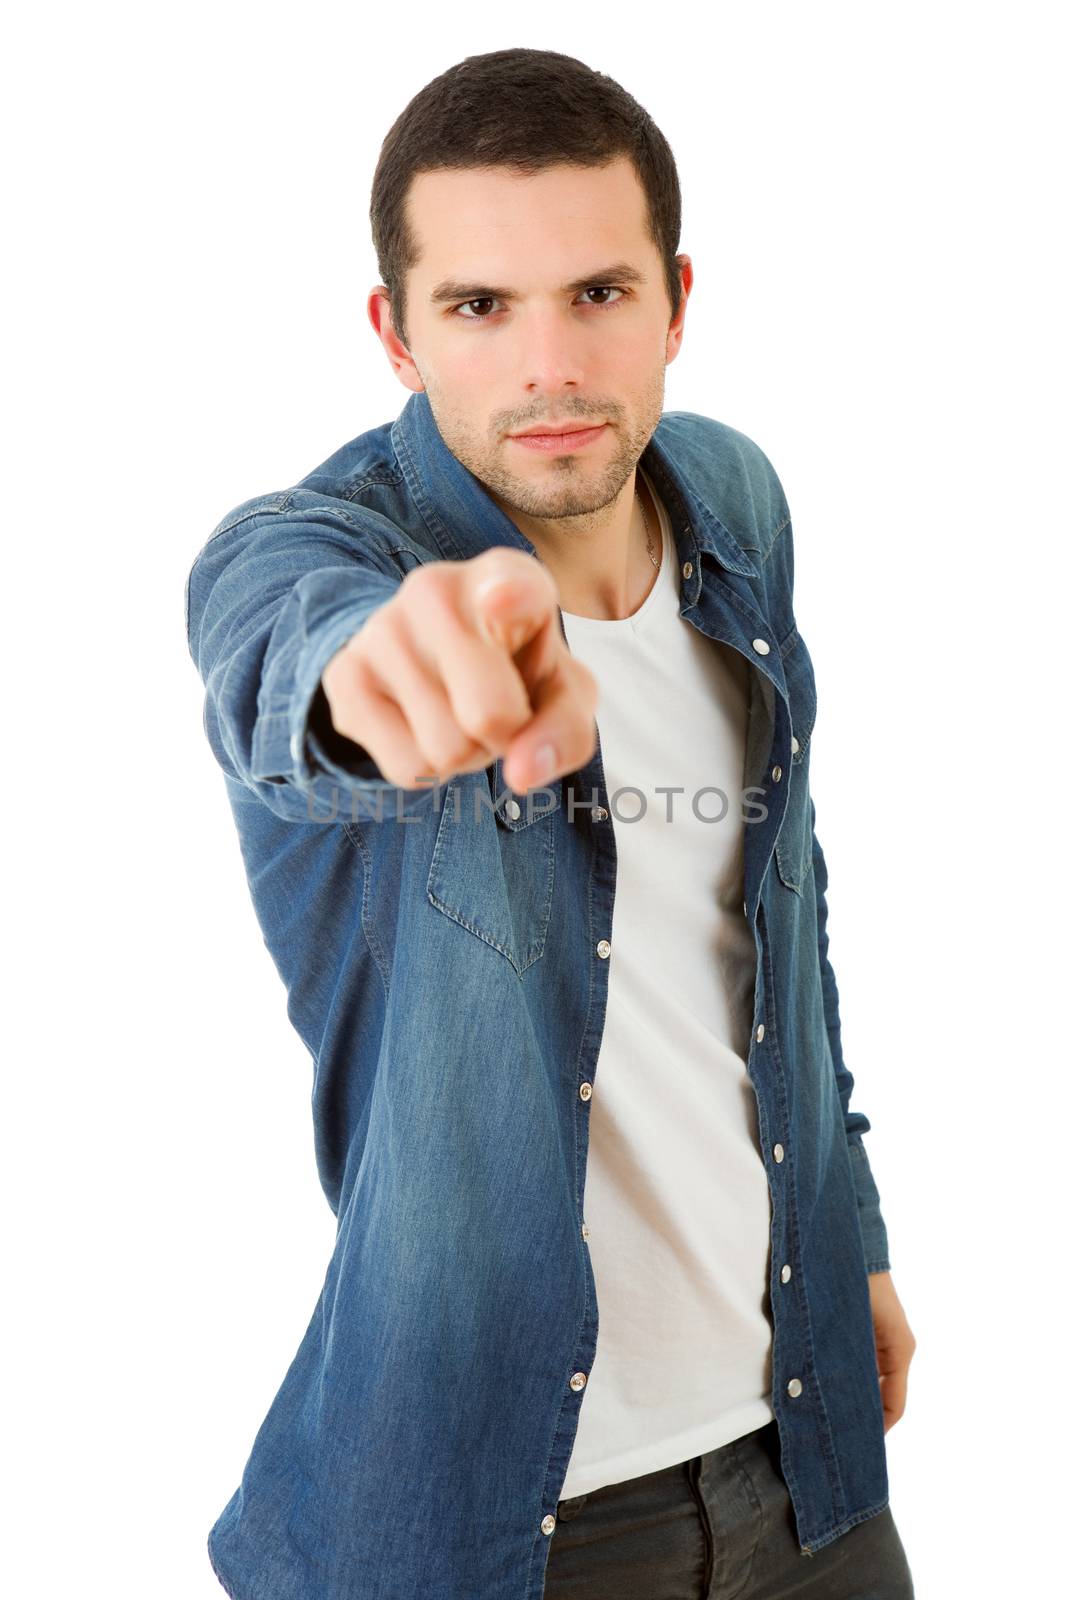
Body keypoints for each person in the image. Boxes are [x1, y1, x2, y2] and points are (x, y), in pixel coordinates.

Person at [185, 46, 917, 1600]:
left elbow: (783, 907)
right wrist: (372, 677)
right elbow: (283, 643)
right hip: (503, 1521)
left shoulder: (732, 496)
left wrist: (850, 1232)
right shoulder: (330, 552)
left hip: (808, 1451)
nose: (549, 366)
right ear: (394, 332)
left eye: (597, 293)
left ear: (676, 300)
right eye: (478, 308)